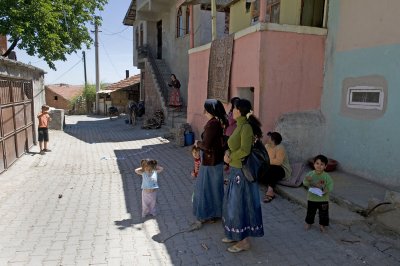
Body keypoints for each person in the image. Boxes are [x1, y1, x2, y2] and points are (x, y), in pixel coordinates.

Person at [222, 99, 264, 253]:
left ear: (239, 111)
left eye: (233, 109)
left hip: (241, 173)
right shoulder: (239, 126)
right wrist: (228, 153)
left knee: (239, 205)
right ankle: (235, 234)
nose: (231, 111)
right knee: (232, 204)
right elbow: (233, 146)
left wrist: (230, 157)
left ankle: (244, 241)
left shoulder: (245, 127)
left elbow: (245, 151)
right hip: (234, 171)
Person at [191, 99, 228, 230]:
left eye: (206, 109)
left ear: (210, 110)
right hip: (216, 160)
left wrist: (197, 143)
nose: (204, 111)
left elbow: (206, 145)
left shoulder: (213, 124)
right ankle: (215, 214)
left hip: (210, 161)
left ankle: (205, 214)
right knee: (215, 188)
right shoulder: (218, 122)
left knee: (205, 189)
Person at [303, 154, 333, 232]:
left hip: (323, 199)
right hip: (312, 198)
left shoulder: (327, 176)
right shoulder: (310, 174)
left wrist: (327, 189)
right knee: (310, 212)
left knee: (324, 213)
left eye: (322, 164)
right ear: (314, 164)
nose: (319, 166)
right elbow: (305, 183)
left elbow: (330, 185)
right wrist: (308, 181)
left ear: (325, 166)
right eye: (317, 163)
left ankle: (322, 225)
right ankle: (309, 222)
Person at [260, 131, 292, 203]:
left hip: (281, 169)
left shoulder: (280, 148)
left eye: (269, 138)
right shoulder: (267, 146)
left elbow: (278, 162)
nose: (267, 139)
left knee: (272, 169)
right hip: (269, 167)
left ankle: (270, 191)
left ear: (273, 140)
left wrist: (266, 161)